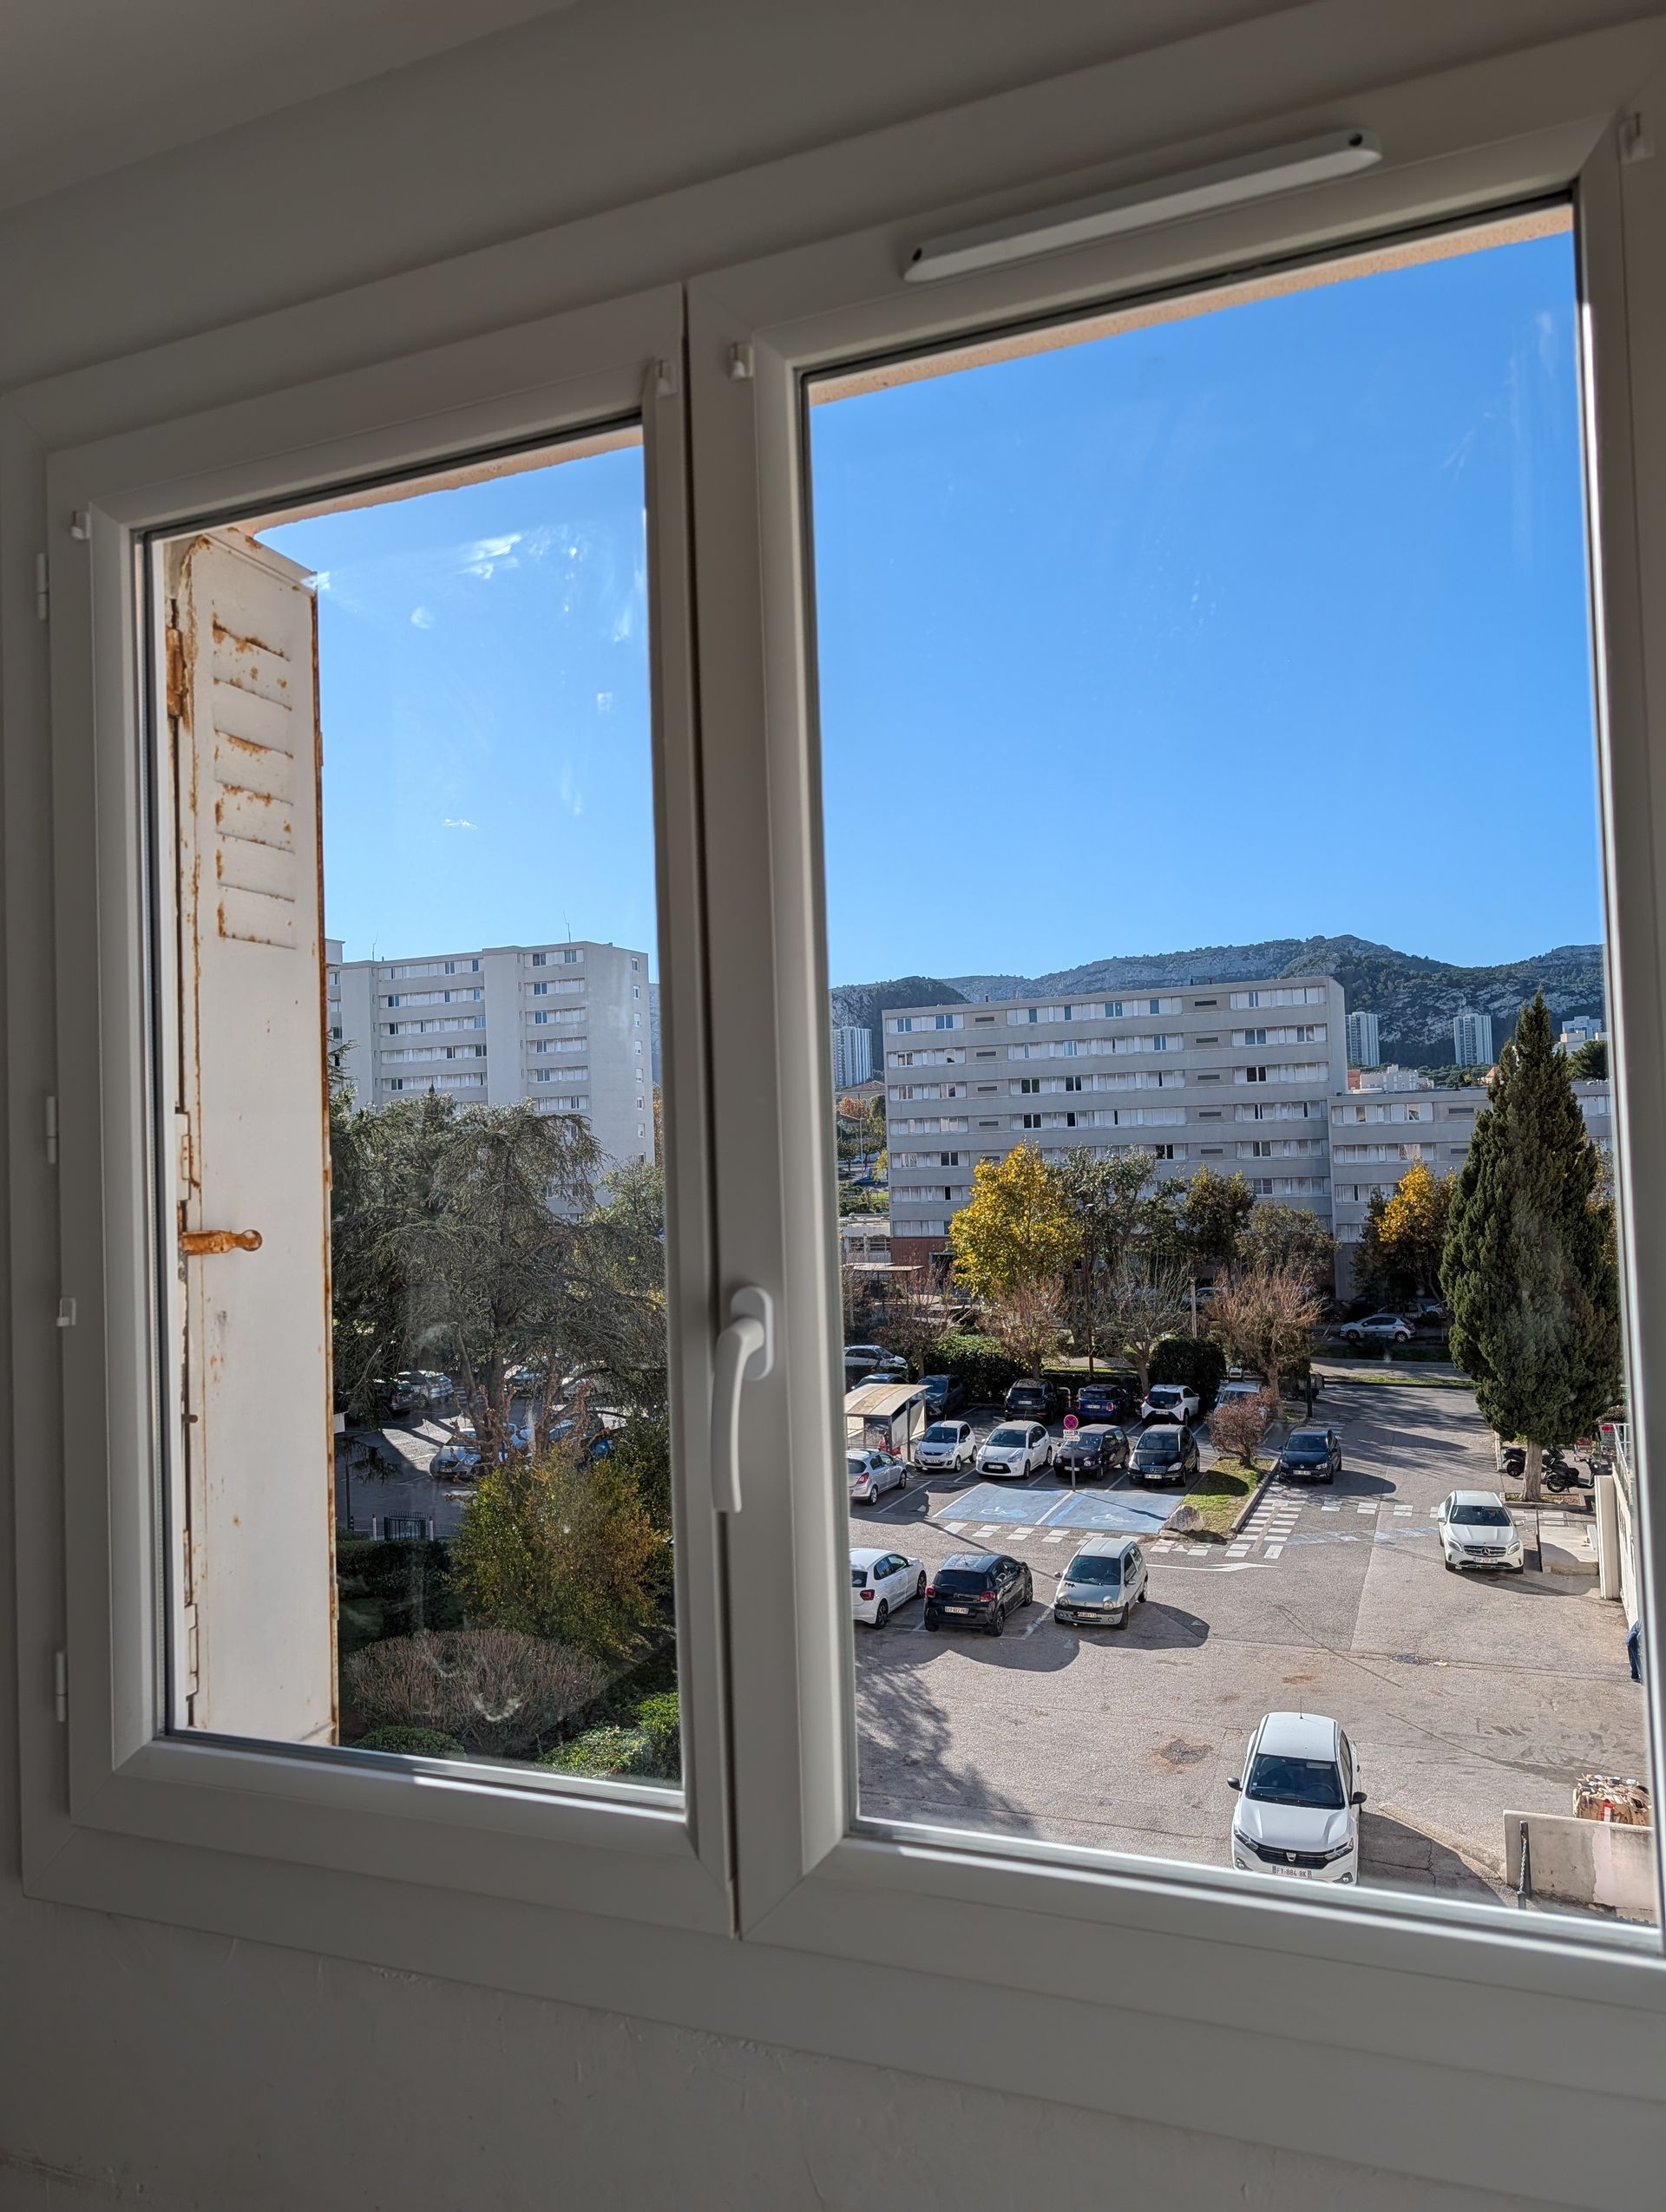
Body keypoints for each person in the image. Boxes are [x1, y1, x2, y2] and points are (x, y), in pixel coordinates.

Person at [1627, 1615, 1645, 1685]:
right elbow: (1640, 1637)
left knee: (1636, 1657)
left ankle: (1636, 1675)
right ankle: (1641, 1677)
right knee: (1638, 1656)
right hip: (1633, 1639)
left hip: (1633, 1637)